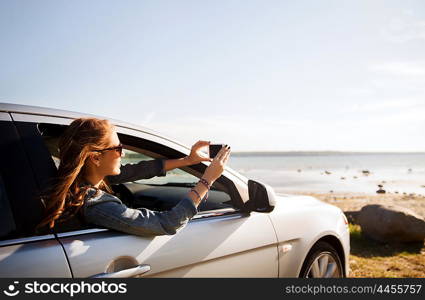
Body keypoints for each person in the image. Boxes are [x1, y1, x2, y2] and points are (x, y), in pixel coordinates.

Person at [36, 117, 231, 236]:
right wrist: (207, 181)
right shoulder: (94, 203)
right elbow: (168, 222)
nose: (123, 154)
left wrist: (188, 160)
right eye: (118, 148)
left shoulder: (86, 181)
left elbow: (140, 170)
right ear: (95, 157)